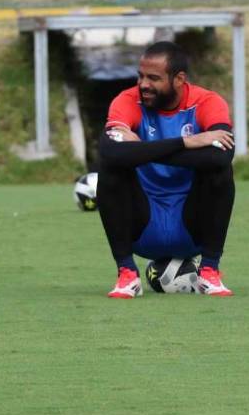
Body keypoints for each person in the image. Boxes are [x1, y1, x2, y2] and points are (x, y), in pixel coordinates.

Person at [96, 41, 237, 298]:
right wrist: (187, 142)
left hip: (192, 227)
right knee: (110, 167)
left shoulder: (207, 102)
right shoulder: (127, 100)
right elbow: (110, 151)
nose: (143, 84)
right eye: (140, 76)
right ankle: (126, 273)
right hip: (142, 226)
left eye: (154, 78)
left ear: (179, 79)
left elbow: (220, 157)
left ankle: (210, 270)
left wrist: (142, 151)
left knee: (221, 173)